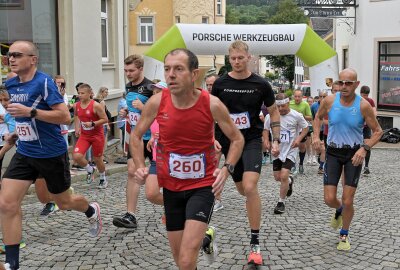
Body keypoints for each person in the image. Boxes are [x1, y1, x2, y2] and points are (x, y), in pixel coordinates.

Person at [132, 48, 244, 270]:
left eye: (178, 69)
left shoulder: (212, 104)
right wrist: (139, 166)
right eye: (167, 69)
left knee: (185, 260)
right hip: (171, 188)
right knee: (180, 258)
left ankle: (200, 235)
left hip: (202, 186)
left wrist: (226, 169)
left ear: (194, 75)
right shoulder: (156, 102)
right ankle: (205, 238)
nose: (171, 74)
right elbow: (135, 136)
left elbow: (237, 139)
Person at [0, 40, 102, 270]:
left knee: (64, 203)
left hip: (50, 154)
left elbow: (64, 117)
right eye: (9, 55)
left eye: (17, 54)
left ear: (33, 59)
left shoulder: (44, 82)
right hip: (25, 151)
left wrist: (31, 112)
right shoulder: (11, 83)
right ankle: (12, 264)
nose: (11, 59)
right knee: (6, 203)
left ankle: (90, 209)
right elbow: (24, 118)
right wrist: (18, 132)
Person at [211, 40, 280, 266]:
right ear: (229, 59)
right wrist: (211, 137)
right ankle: (249, 199)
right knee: (242, 189)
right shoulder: (220, 84)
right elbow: (210, 112)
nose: (237, 62)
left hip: (251, 139)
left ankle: (255, 241)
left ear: (248, 57)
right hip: (228, 141)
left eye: (241, 58)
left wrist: (275, 137)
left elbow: (273, 110)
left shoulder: (261, 84)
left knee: (250, 187)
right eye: (233, 58)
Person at [313, 68, 383, 251]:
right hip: (333, 152)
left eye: (348, 83)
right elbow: (317, 118)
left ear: (356, 85)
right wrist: (315, 138)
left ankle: (344, 233)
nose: (344, 86)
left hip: (353, 154)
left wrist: (364, 148)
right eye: (341, 82)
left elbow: (378, 132)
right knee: (329, 199)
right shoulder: (329, 101)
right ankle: (339, 210)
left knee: (348, 200)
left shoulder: (363, 105)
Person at [112, 54, 154, 229]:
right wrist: (126, 113)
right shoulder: (128, 87)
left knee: (164, 175)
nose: (128, 74)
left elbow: (161, 112)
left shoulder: (151, 87)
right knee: (131, 171)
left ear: (141, 69)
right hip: (136, 137)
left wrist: (144, 108)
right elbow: (133, 111)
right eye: (126, 70)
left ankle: (176, 206)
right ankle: (131, 215)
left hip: (153, 138)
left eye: (132, 70)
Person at [263, 93, 308, 214]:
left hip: (290, 150)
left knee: (283, 175)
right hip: (276, 150)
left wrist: (298, 140)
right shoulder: (271, 116)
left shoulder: (296, 115)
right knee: (278, 177)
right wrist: (266, 141)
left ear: (288, 103)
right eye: (279, 107)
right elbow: (266, 130)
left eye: (283, 106)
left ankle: (281, 202)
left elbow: (305, 128)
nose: (281, 109)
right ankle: (290, 181)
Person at [73, 83, 108, 188]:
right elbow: (76, 115)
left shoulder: (96, 105)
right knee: (77, 156)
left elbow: (105, 119)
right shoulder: (77, 105)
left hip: (97, 135)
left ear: (89, 93)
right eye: (78, 93)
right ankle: (90, 169)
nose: (80, 95)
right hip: (85, 135)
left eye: (82, 93)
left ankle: (103, 178)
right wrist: (77, 127)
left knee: (97, 159)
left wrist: (93, 123)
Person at [289, 89, 312, 174]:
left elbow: (310, 117)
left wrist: (302, 116)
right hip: (292, 129)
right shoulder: (289, 104)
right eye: (295, 96)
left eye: (299, 96)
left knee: (302, 147)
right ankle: (292, 165)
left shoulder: (305, 104)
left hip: (302, 129)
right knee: (292, 147)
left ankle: (301, 163)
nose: (297, 98)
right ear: (293, 96)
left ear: (302, 97)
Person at [359, 85, 377, 175]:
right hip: (357, 127)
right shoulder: (357, 100)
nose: (365, 97)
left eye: (366, 95)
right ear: (360, 93)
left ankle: (366, 166)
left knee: (367, 145)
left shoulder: (370, 101)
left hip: (366, 127)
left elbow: (374, 112)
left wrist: (370, 119)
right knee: (355, 145)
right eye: (363, 95)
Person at [95, 86, 111, 164]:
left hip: (96, 123)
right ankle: (101, 158)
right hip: (101, 124)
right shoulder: (101, 102)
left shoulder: (95, 100)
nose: (107, 94)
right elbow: (102, 114)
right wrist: (107, 124)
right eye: (106, 92)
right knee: (102, 141)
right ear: (101, 92)